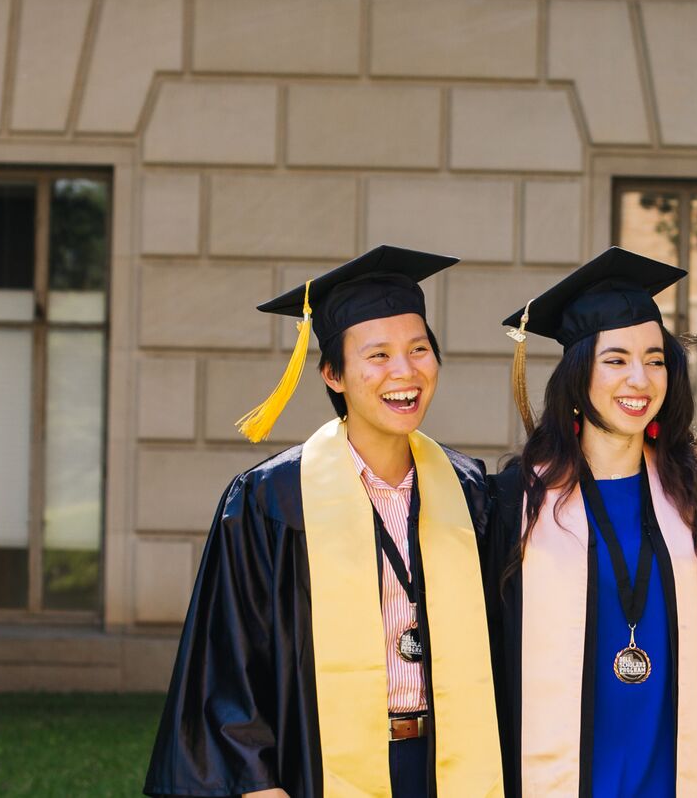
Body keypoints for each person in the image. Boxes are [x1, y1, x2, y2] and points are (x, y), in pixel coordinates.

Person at [144, 247, 503, 798]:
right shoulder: (272, 500)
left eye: (418, 349)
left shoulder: (469, 491)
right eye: (377, 355)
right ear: (333, 374)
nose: (404, 371)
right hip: (314, 767)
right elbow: (228, 664)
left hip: (450, 763)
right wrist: (259, 786)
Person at [484, 246, 697, 797]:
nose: (639, 380)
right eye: (616, 360)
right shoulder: (514, 505)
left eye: (656, 359)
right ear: (578, 376)